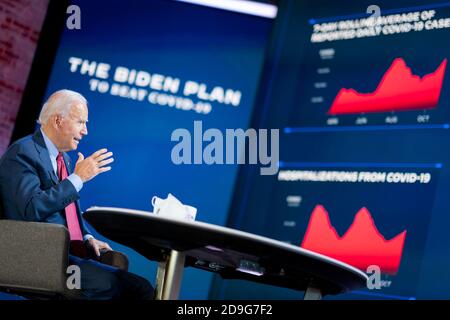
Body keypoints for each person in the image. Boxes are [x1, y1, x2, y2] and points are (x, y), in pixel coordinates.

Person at [0, 89, 154, 300]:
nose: (85, 131)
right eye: (81, 122)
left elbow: (66, 211)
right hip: (40, 259)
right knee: (111, 284)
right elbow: (31, 208)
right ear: (57, 121)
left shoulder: (64, 159)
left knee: (141, 287)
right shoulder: (22, 153)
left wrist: (87, 237)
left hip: (64, 255)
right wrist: (77, 179)